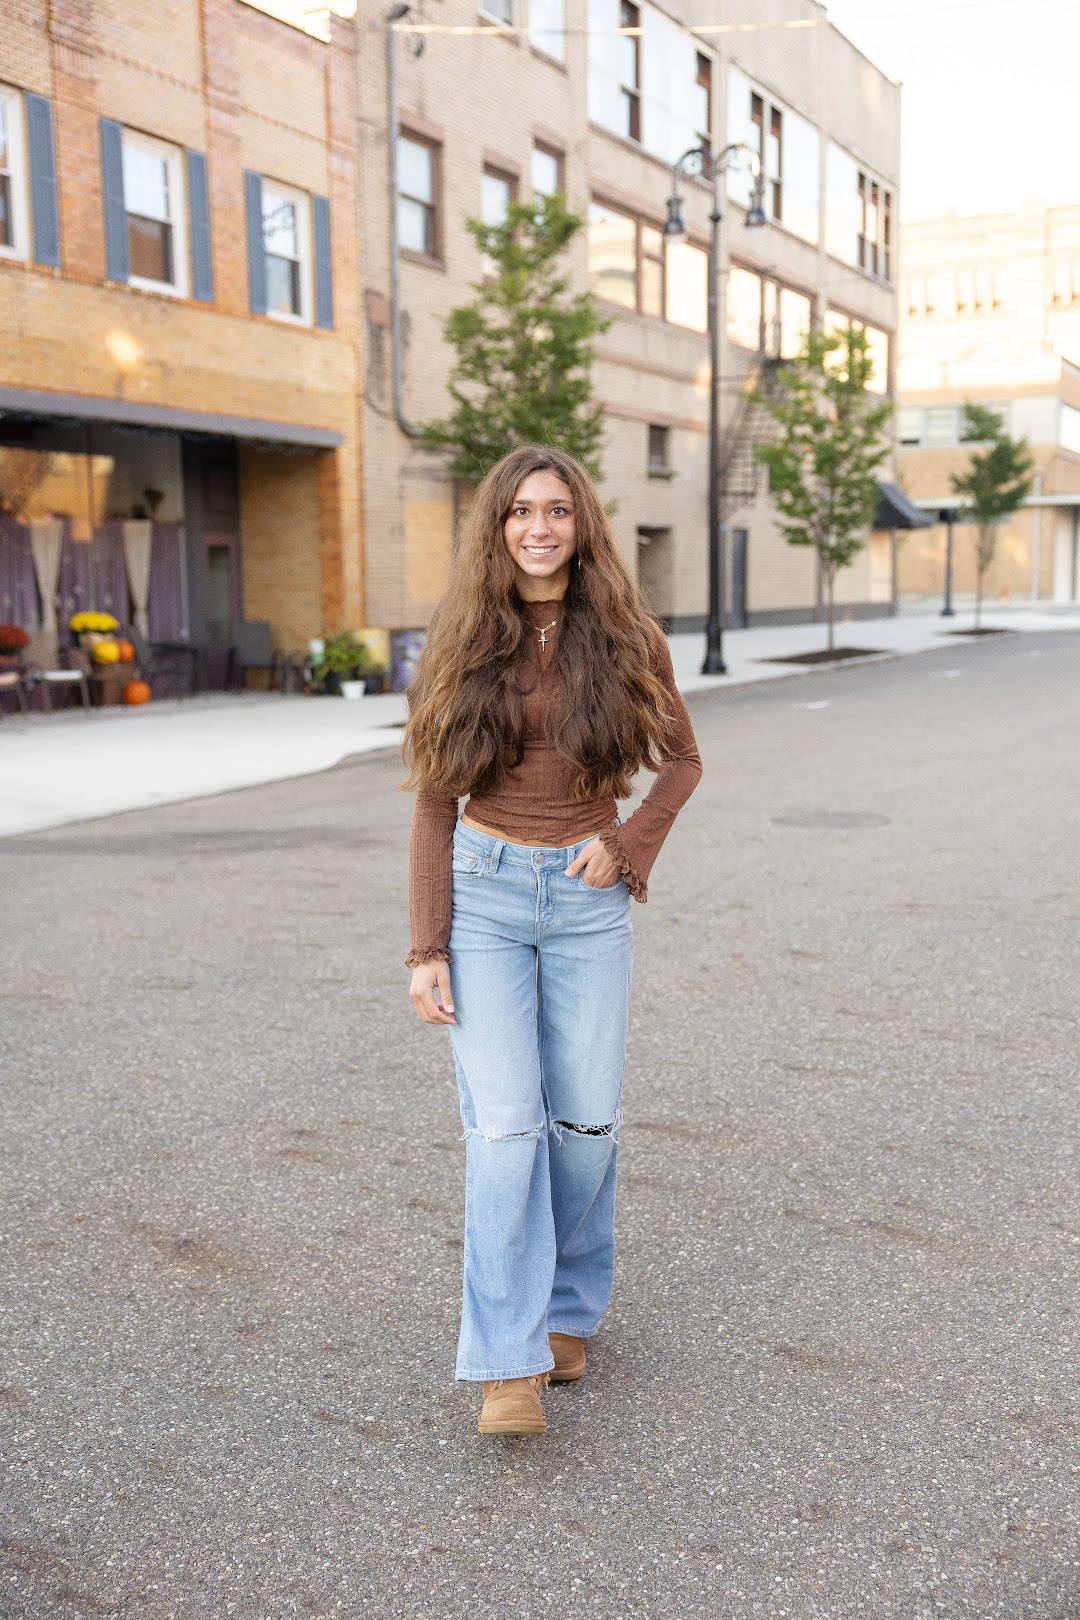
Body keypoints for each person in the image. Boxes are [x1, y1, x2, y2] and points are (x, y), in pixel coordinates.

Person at [402, 445, 702, 1437]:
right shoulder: (459, 636)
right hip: (484, 894)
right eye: (521, 511)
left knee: (584, 1125)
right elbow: (433, 803)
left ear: (582, 526)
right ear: (498, 526)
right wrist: (428, 946)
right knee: (504, 1131)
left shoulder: (627, 636)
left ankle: (568, 1310)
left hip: (586, 898)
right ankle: (508, 1362)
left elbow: (684, 762)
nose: (539, 527)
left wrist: (628, 844)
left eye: (558, 511)